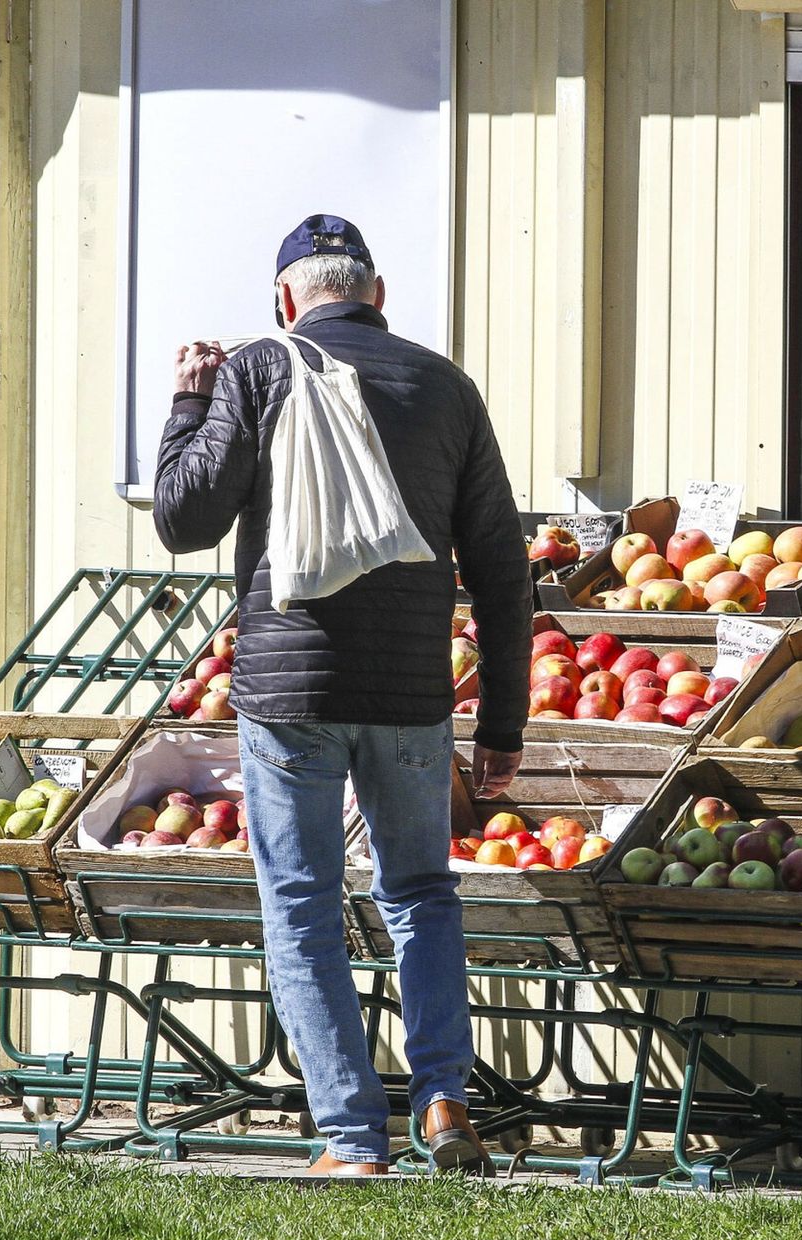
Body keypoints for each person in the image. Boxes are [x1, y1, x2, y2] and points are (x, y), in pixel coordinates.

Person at [153, 214, 531, 1176]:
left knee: (303, 904)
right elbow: (500, 567)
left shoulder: (258, 370)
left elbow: (184, 521)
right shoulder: (445, 387)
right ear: (379, 291)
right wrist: (503, 724)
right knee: (420, 893)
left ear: (286, 301)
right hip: (410, 690)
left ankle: (353, 1139)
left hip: (290, 691)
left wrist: (188, 404)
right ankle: (445, 1100)